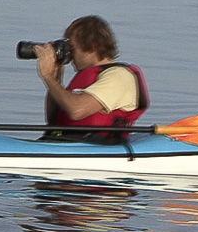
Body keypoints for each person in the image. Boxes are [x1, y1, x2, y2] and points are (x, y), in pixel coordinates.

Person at [34, 15, 149, 144]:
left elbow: (77, 111)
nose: (70, 55)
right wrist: (56, 79)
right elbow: (52, 119)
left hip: (95, 145)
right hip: (65, 142)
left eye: (72, 48)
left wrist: (48, 77)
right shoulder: (91, 76)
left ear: (92, 46)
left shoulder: (119, 76)